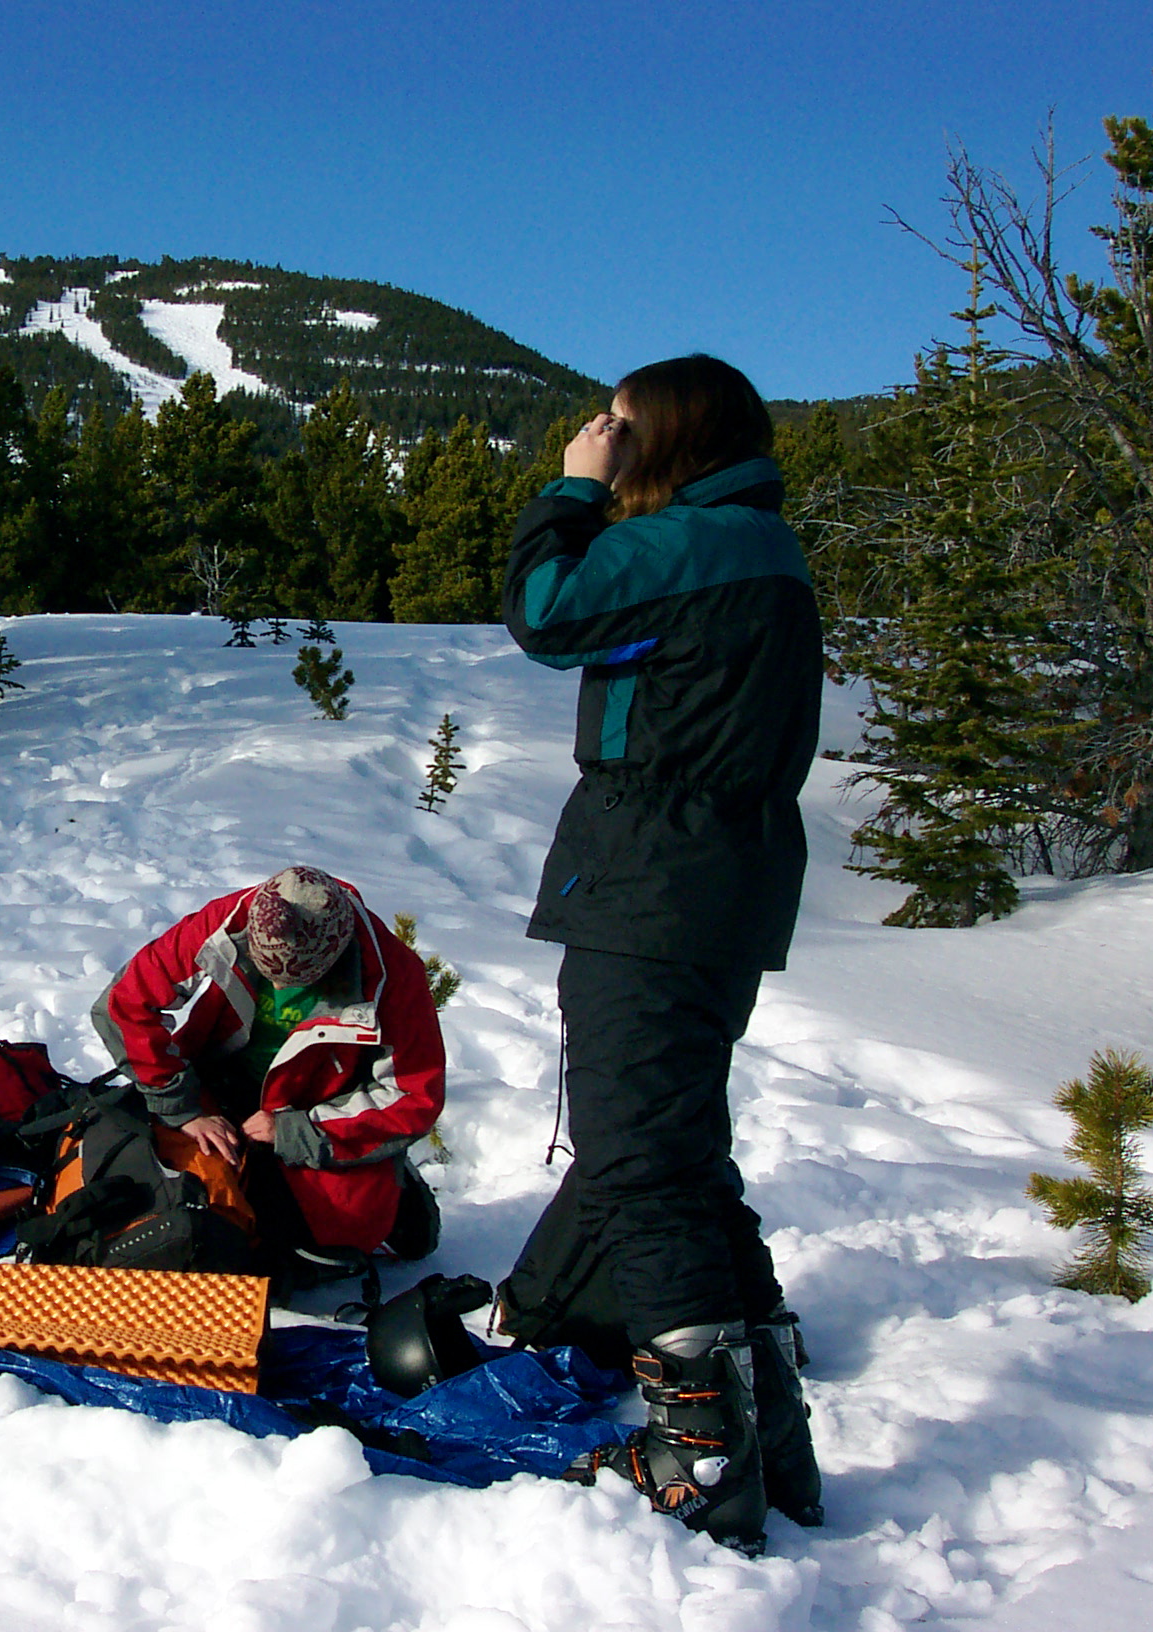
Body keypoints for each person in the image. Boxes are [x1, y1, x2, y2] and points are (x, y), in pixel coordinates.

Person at [501, 354, 824, 1549]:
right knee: (679, 1154)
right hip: (720, 885)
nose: (606, 435)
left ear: (668, 433)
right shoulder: (760, 546)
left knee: (640, 1167)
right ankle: (771, 1437)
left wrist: (574, 488)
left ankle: (701, 1455)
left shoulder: (699, 539)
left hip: (656, 884)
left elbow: (546, 609)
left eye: (622, 423)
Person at [90, 865, 445, 1270]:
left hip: (315, 1106)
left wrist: (298, 1130)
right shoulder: (231, 921)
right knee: (184, 1203)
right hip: (215, 1084)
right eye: (267, 974)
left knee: (342, 1232)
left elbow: (415, 1095)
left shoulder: (392, 976)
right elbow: (125, 1003)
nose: (278, 991)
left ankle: (391, 1182)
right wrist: (181, 1107)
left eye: (300, 981)